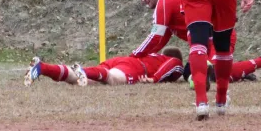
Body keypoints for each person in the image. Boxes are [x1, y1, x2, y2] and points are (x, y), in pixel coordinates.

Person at [132, 0, 261, 82]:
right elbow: (161, 39)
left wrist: (133, 57)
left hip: (219, 37)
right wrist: (145, 58)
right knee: (190, 74)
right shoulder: (168, 3)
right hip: (204, 45)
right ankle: (236, 71)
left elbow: (155, 37)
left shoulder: (164, 1)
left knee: (214, 76)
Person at [23, 47, 184, 86]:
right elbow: (175, 64)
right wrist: (154, 78)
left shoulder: (153, 55)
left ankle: (43, 68)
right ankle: (83, 71)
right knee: (112, 79)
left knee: (83, 80)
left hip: (122, 60)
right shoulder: (168, 59)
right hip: (136, 67)